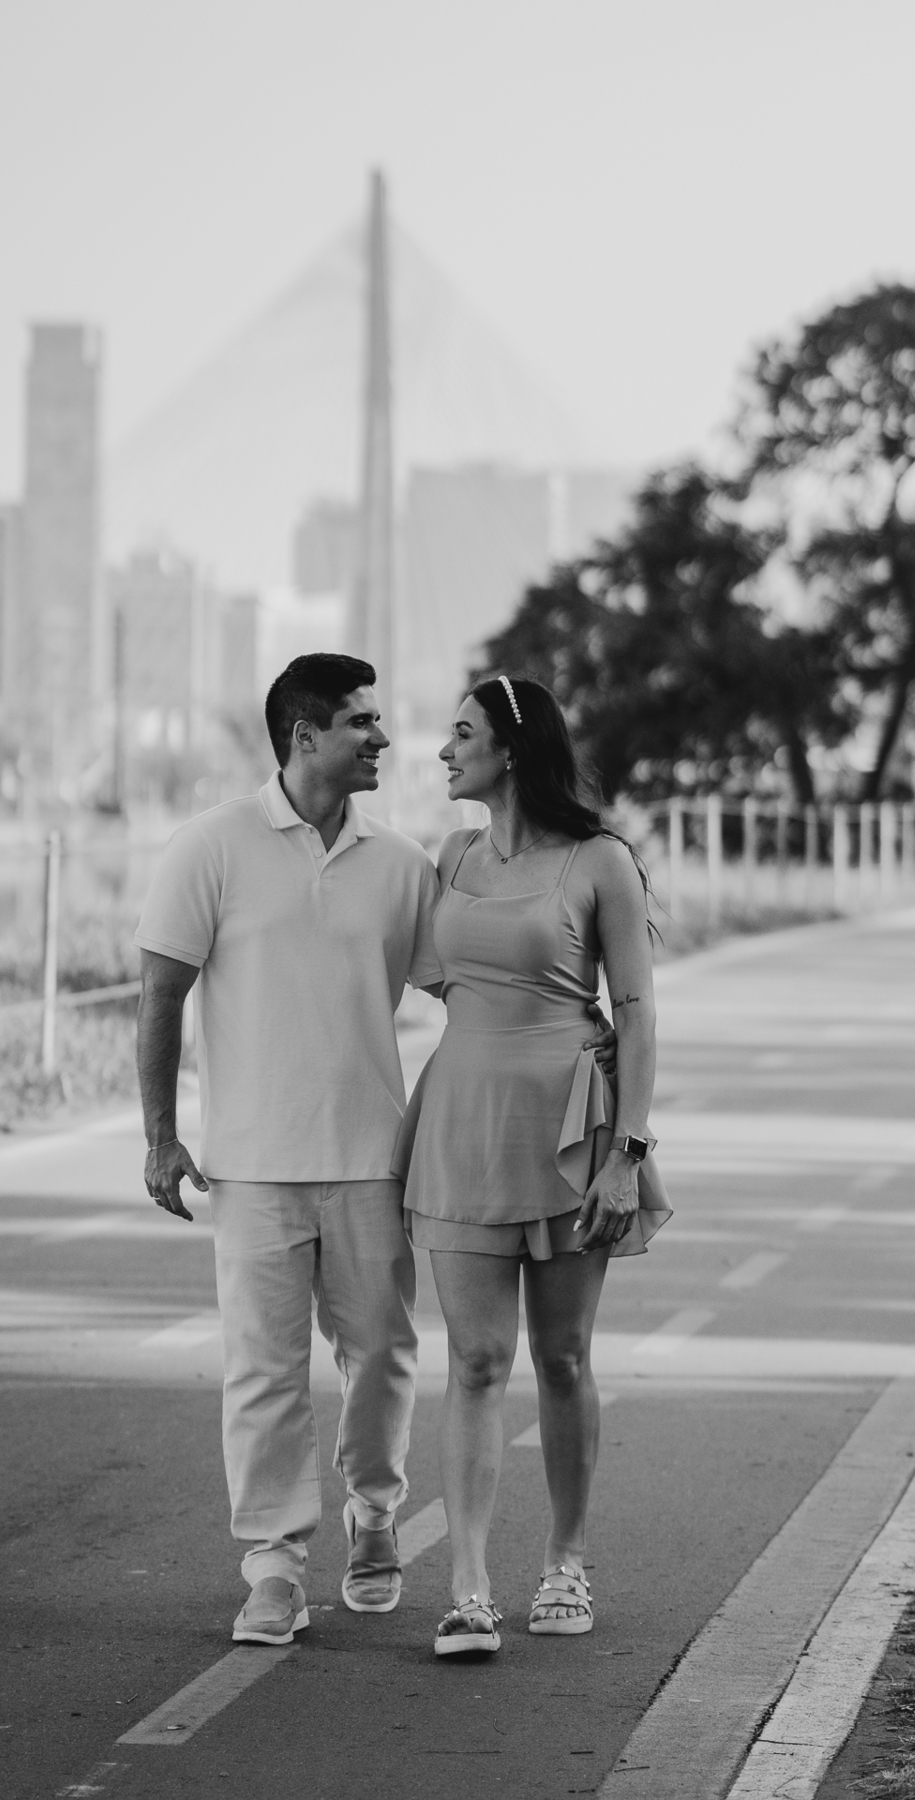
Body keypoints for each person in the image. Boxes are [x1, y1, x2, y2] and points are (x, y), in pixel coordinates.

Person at [133, 654, 442, 1646]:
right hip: (252, 1165)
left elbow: (468, 994)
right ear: (304, 737)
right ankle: (272, 1568)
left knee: (383, 1357)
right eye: (361, 722)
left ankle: (375, 1513)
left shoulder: (402, 864)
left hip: (372, 1161)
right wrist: (160, 1137)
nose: (382, 737)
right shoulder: (211, 846)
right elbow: (161, 993)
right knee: (263, 1372)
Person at [393, 672, 670, 1657]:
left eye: (462, 734)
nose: (444, 750)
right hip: (464, 1123)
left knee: (560, 1358)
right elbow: (440, 976)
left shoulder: (600, 862)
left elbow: (636, 1012)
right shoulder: (454, 854)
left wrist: (627, 1152)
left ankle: (565, 1562)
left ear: (511, 750)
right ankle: (468, 1589)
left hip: (570, 1133)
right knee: (472, 1360)